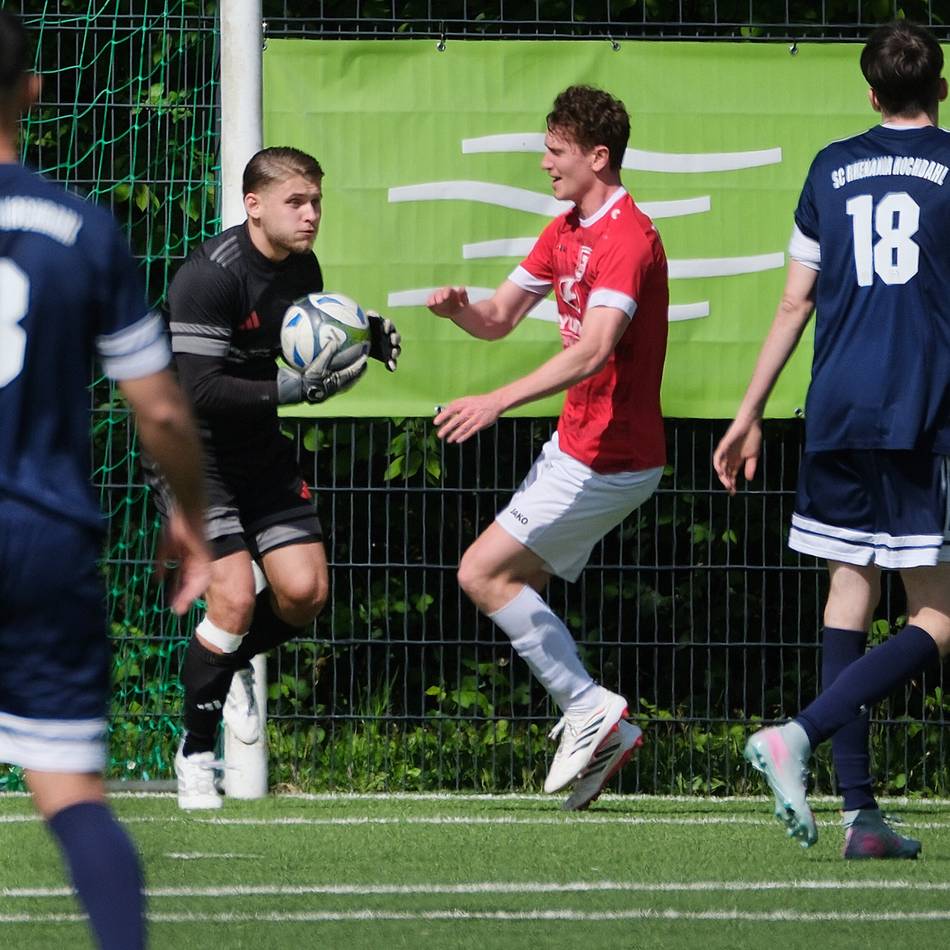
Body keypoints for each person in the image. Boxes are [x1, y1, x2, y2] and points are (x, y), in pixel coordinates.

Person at [713, 20, 950, 859]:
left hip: (838, 409)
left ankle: (860, 818)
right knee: (938, 616)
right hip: (920, 410)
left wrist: (748, 413)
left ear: (872, 94)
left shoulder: (830, 166)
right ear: (942, 89)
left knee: (850, 592)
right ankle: (799, 734)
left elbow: (794, 301)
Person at [0, 11, 211, 949]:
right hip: (43, 536)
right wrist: (191, 515)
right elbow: (160, 411)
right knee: (74, 796)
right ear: (33, 91)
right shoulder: (82, 227)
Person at [427, 85, 668, 810]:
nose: (545, 163)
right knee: (511, 585)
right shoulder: (565, 231)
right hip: (578, 447)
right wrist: (462, 311)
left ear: (598, 156)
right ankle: (604, 735)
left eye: (556, 151)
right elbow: (499, 317)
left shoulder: (629, 239)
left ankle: (590, 707)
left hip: (610, 457)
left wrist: (495, 401)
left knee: (480, 572)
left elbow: (593, 350)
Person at [154, 145, 401, 809]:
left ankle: (226, 661)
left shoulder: (303, 266)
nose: (311, 213)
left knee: (304, 592)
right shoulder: (208, 276)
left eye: (316, 200)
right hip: (193, 453)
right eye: (296, 201)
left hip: (258, 450)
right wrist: (290, 390)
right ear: (254, 205)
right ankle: (195, 757)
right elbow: (199, 390)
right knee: (233, 599)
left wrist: (364, 335)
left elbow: (303, 338)